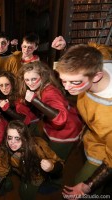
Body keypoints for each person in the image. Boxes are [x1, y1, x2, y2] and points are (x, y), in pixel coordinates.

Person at [55, 44, 112, 197]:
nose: (67, 88)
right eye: (63, 81)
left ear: (97, 76)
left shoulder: (109, 117)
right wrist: (67, 47)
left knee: (81, 182)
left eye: (74, 82)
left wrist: (88, 185)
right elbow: (97, 47)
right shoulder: (101, 57)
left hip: (104, 149)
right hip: (92, 136)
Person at [17, 61, 83, 161]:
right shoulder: (41, 88)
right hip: (56, 128)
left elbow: (60, 118)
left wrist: (34, 100)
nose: (30, 83)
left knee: (55, 161)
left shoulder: (50, 92)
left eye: (34, 79)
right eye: (27, 80)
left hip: (66, 132)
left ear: (42, 77)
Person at [0, 120, 64, 200]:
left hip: (36, 177)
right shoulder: (4, 149)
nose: (12, 142)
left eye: (17, 138)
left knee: (25, 196)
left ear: (25, 137)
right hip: (22, 173)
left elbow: (60, 163)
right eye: (10, 137)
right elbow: (1, 170)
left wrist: (52, 166)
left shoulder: (38, 145)